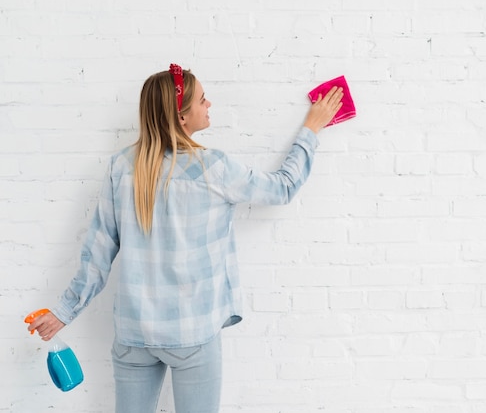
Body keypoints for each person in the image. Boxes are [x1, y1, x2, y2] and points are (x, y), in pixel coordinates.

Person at [27, 63, 344, 413]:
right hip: (192, 334)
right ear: (181, 117)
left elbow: (98, 253)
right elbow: (282, 187)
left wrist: (62, 312)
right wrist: (312, 128)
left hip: (134, 336)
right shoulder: (213, 168)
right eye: (202, 100)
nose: (209, 106)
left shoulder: (122, 167)